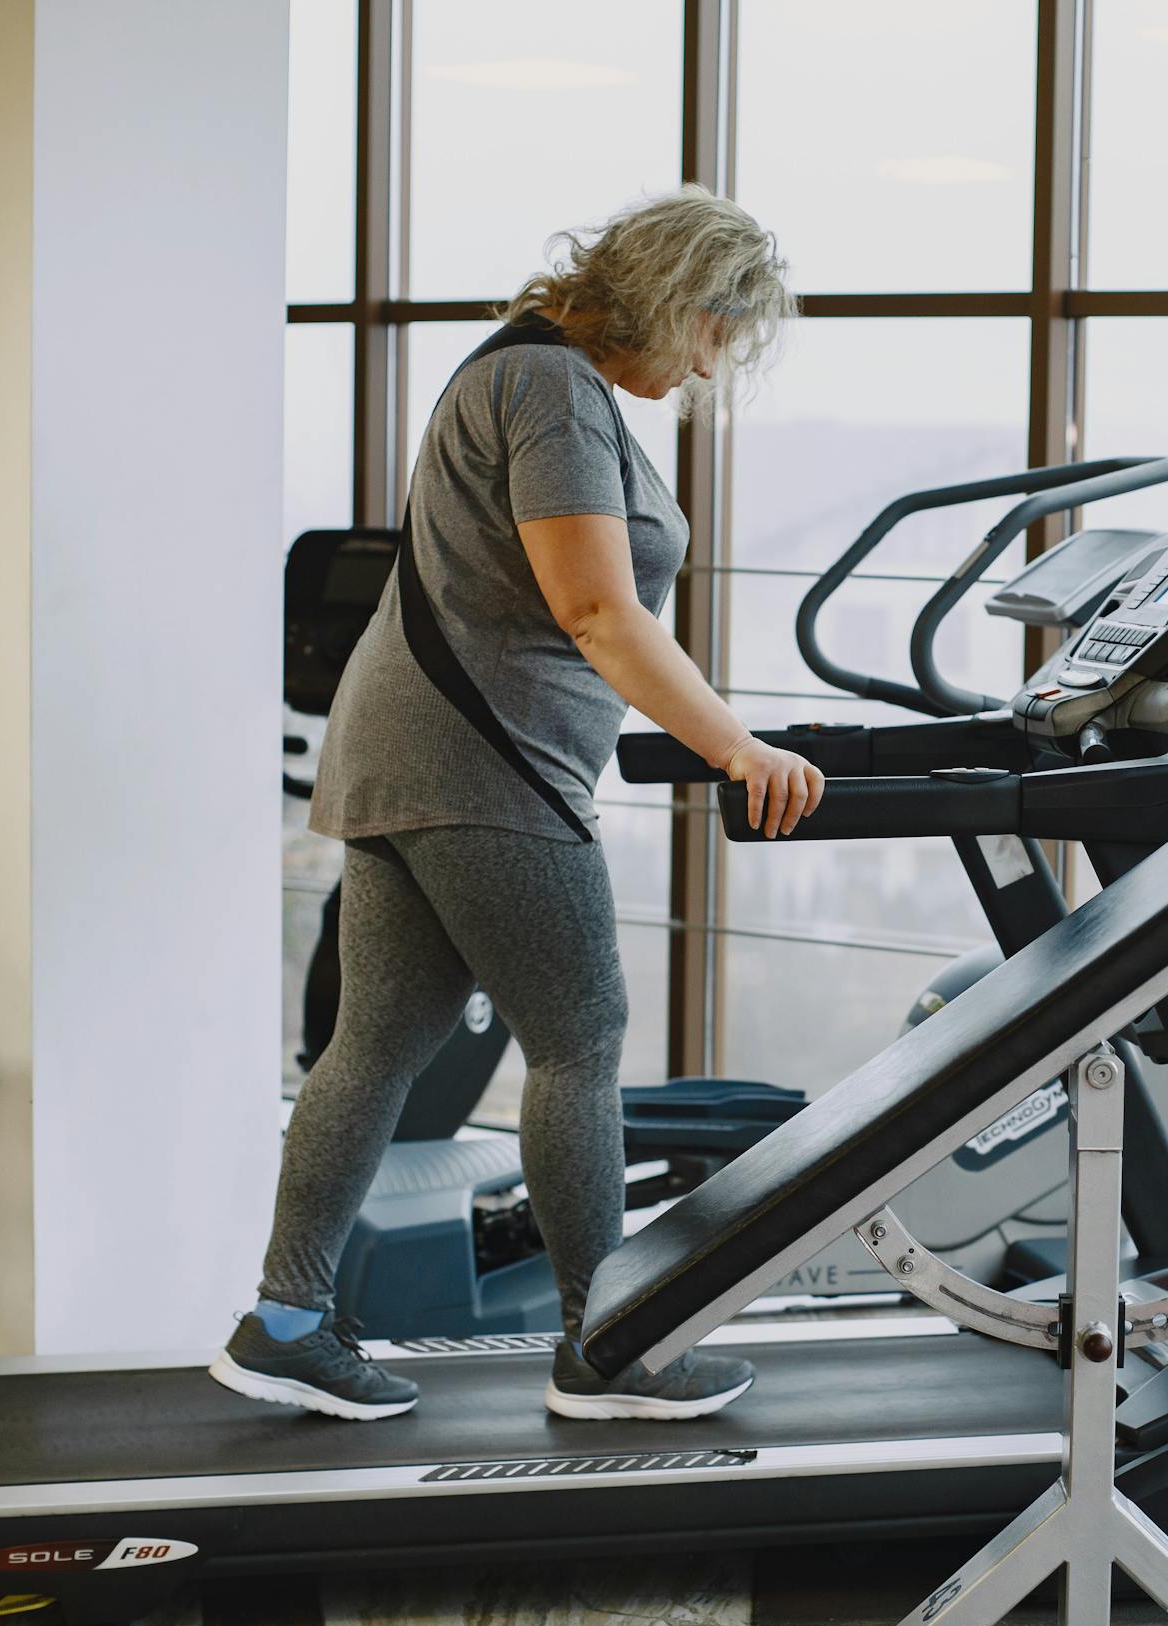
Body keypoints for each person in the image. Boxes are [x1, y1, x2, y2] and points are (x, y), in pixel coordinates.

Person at [211, 187, 819, 1423]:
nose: (713, 369)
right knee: (580, 1039)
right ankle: (607, 1347)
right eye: (719, 335)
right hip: (484, 762)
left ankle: (284, 1323)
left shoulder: (515, 370)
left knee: (374, 1044)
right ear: (681, 300)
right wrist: (735, 745)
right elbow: (598, 610)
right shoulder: (550, 390)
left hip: (405, 752)